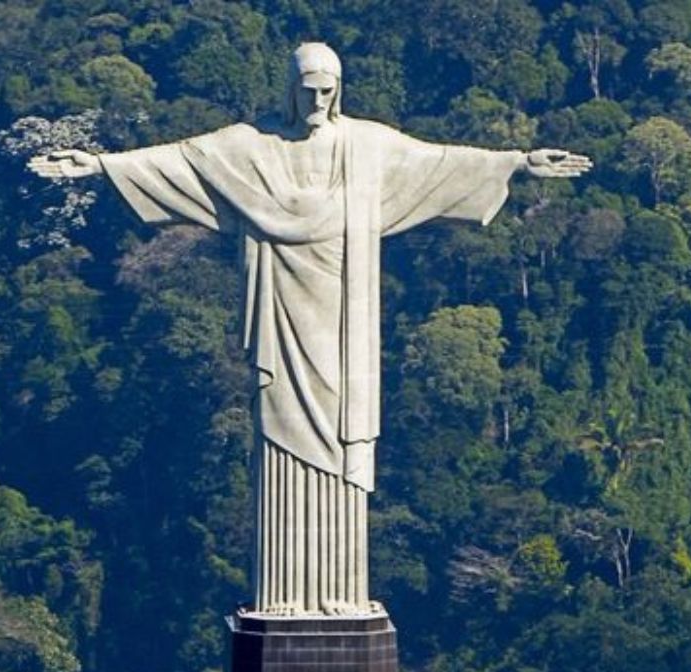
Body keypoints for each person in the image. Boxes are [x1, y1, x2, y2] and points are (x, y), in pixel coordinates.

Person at [29, 43, 590, 616]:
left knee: (341, 442)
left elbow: (441, 162)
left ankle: (339, 594)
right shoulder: (252, 146)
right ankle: (284, 597)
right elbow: (181, 161)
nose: (318, 100)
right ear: (290, 89)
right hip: (282, 317)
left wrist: (518, 162)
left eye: (328, 90)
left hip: (345, 325)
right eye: (308, 90)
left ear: (340, 90)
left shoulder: (368, 146)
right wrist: (100, 165)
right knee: (280, 430)